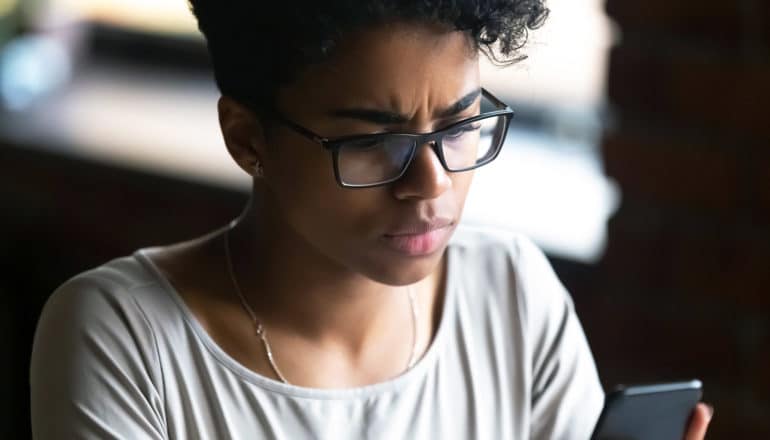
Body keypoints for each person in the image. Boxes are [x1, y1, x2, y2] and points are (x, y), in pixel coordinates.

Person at [30, 1, 713, 438]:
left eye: (460, 124)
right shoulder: (125, 338)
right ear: (247, 139)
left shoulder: (512, 294)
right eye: (373, 141)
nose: (432, 183)